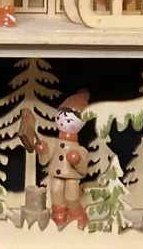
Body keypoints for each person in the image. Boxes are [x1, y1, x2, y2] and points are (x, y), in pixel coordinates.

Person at [20, 91, 91, 227]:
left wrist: (77, 160)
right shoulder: (54, 143)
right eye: (61, 117)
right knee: (56, 190)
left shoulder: (79, 148)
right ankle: (58, 216)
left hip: (72, 177)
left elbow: (83, 168)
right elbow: (45, 159)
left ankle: (78, 217)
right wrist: (43, 150)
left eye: (69, 120)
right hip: (57, 176)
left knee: (72, 197)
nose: (64, 122)